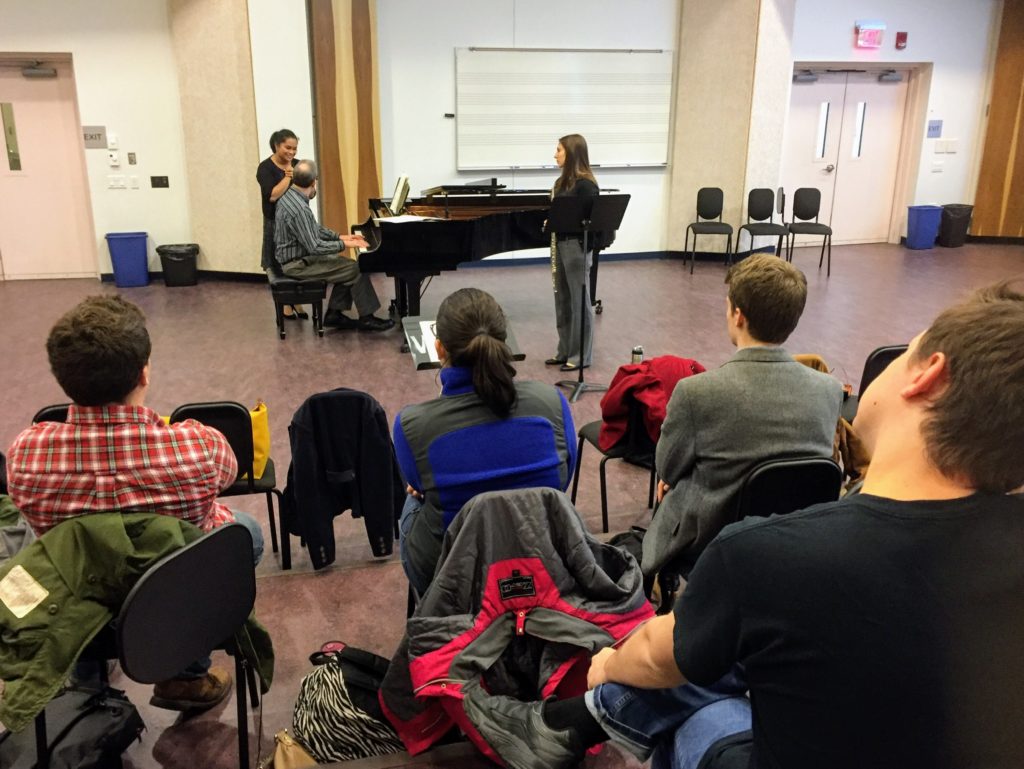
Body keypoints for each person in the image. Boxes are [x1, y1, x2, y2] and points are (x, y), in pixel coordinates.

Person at [476, 281, 1024, 769]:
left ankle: (570, 719)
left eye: (907, 352)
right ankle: (566, 724)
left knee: (690, 678)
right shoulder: (822, 406)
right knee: (753, 642)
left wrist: (605, 667)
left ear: (928, 376)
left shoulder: (766, 559)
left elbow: (650, 657)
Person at [6, 295, 265, 711]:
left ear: (64, 378)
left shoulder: (26, 455)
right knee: (245, 531)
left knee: (61, 552)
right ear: (143, 372)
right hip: (168, 599)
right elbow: (229, 475)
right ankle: (184, 676)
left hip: (77, 605)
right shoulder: (199, 447)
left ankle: (85, 681)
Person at [643, 254, 843, 580]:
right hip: (794, 541)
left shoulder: (696, 392)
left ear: (738, 315)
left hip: (712, 546)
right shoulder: (829, 390)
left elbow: (668, 469)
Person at [393, 288, 577, 594]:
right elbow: (560, 481)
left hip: (454, 576)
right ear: (504, 342)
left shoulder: (412, 425)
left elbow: (420, 486)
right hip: (543, 559)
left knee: (413, 500)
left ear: (439, 349)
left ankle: (432, 608)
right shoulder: (552, 403)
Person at [274, 159, 394, 332]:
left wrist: (340, 236)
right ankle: (367, 319)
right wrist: (343, 244)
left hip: (297, 258)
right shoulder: (300, 209)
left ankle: (334, 315)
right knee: (355, 269)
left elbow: (312, 228)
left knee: (343, 266)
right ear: (314, 181)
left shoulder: (289, 197)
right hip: (297, 265)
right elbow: (314, 247)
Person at [547, 133, 599, 372]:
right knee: (562, 299)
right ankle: (565, 351)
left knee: (580, 301)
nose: (555, 154)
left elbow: (594, 222)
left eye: (559, 150)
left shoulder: (585, 185)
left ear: (572, 154)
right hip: (560, 244)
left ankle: (580, 357)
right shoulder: (561, 183)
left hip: (577, 247)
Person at [256, 127, 304, 319]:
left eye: (294, 149)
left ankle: (298, 301)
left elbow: (310, 192)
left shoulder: (299, 164)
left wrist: (311, 184)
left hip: (297, 222)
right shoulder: (265, 168)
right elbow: (273, 195)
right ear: (277, 145)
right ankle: (284, 304)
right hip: (275, 223)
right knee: (276, 263)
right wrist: (289, 176)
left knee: (298, 261)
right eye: (287, 148)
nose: (291, 153)